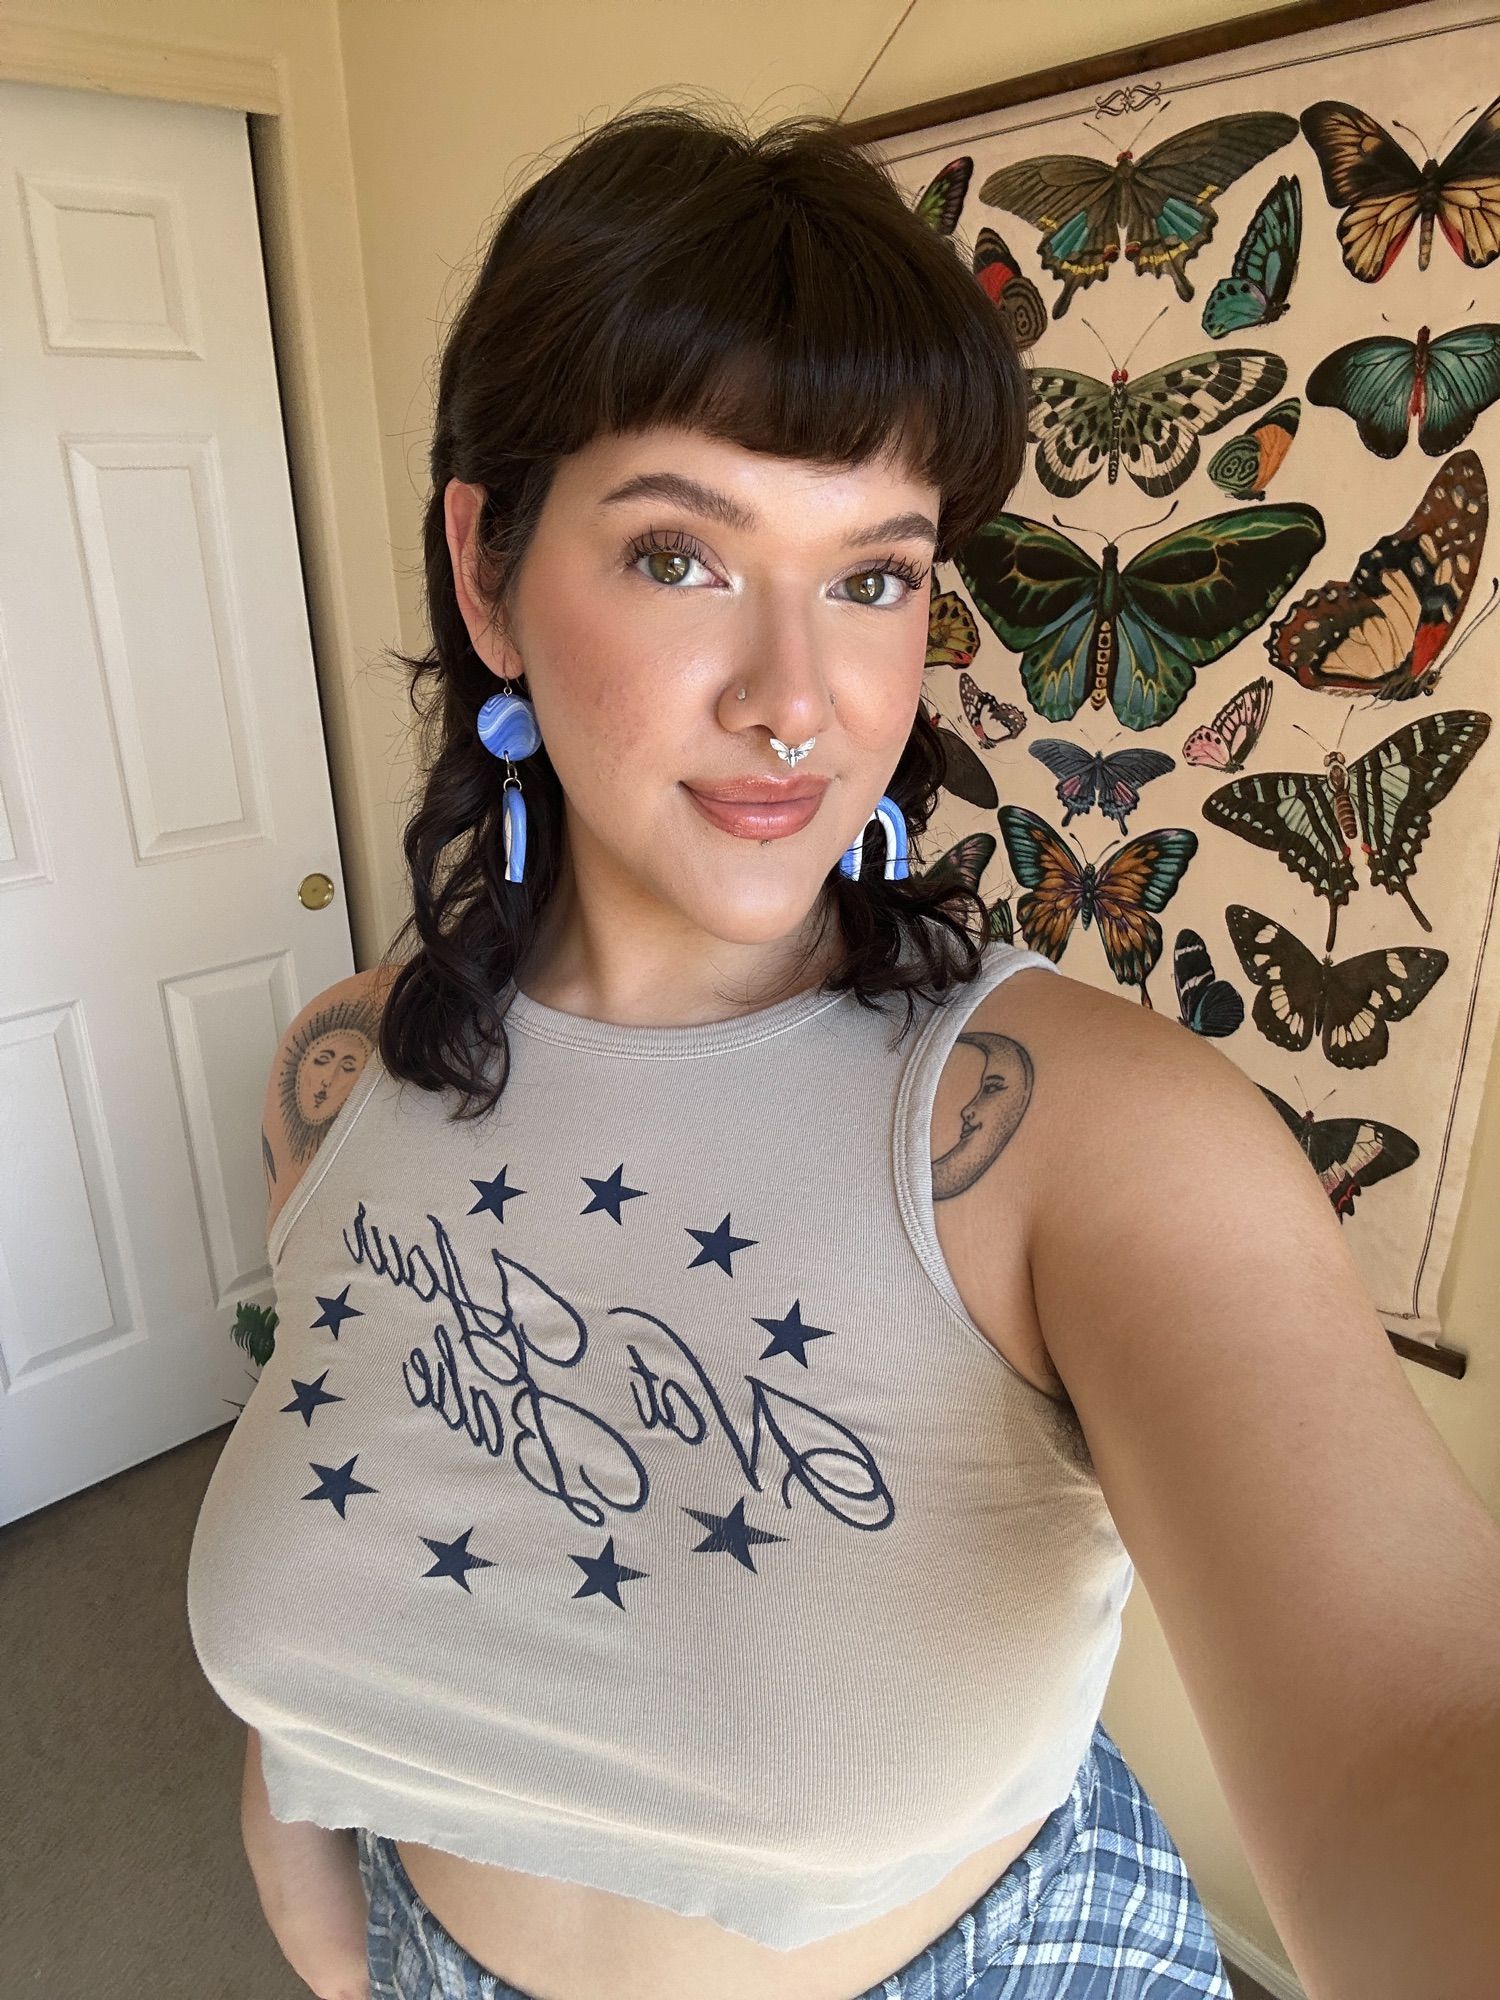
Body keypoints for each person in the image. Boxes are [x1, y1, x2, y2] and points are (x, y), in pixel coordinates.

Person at [186, 99, 1500, 2000]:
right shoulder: (337, 1080)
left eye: (875, 577)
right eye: (681, 556)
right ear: (487, 574)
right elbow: (346, 1564)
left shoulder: (1085, 1139)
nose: (802, 702)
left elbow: (1417, 1720)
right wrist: (329, 1912)